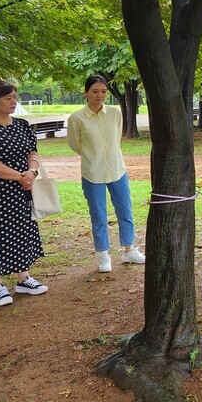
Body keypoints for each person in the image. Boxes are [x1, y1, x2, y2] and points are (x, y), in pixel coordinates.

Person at [0, 80, 49, 307]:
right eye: (8, 98)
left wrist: (31, 172)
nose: (13, 101)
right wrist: (20, 176)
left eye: (14, 97)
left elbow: (33, 152)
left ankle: (24, 278)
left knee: (24, 228)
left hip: (23, 188)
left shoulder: (22, 125)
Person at [67, 74, 145, 273]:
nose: (99, 95)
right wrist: (95, 157)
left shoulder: (115, 113)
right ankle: (103, 255)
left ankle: (129, 249)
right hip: (93, 173)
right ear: (85, 93)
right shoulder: (77, 118)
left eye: (103, 91)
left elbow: (116, 137)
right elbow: (76, 145)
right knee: (99, 216)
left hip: (118, 170)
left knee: (125, 212)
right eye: (95, 91)